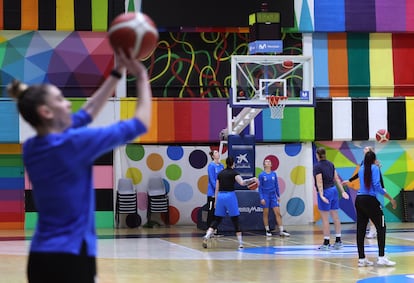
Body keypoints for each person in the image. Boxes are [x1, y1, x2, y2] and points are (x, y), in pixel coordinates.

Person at [8, 50, 152, 283]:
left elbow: (88, 111)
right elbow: (140, 123)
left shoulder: (33, 146)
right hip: (71, 256)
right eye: (61, 100)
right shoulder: (75, 143)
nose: (68, 104)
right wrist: (142, 77)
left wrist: (116, 74)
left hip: (39, 257)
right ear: (46, 112)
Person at [202, 156, 257, 249]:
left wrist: (215, 200)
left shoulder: (220, 173)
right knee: (235, 219)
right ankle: (240, 243)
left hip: (220, 196)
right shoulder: (234, 173)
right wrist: (253, 179)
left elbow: (216, 188)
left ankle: (207, 235)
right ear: (233, 164)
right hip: (230, 196)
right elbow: (242, 183)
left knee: (217, 219)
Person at [355, 151, 397, 267]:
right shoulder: (375, 168)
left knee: (361, 229)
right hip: (370, 200)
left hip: (359, 199)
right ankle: (382, 257)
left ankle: (362, 259)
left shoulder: (361, 168)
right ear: (374, 159)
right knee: (381, 227)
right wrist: (391, 198)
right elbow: (377, 186)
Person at [343, 146, 383, 239]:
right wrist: (349, 180)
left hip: (371, 193)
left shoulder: (374, 164)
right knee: (366, 213)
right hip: (364, 192)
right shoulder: (363, 163)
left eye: (366, 148)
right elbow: (358, 174)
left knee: (371, 212)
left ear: (369, 151)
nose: (363, 149)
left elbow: (378, 175)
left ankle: (373, 230)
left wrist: (383, 187)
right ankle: (373, 229)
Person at [313, 147, 349, 250]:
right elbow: (337, 179)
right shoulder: (331, 164)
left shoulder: (317, 166)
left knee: (325, 219)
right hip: (333, 190)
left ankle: (326, 243)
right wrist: (342, 191)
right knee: (335, 217)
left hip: (325, 191)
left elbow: (319, 182)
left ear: (317, 155)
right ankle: (338, 241)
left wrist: (321, 195)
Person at [258, 159, 290, 237]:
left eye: (269, 162)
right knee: (266, 213)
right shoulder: (261, 175)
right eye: (266, 162)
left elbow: (276, 186)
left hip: (273, 196)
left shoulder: (274, 174)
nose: (268, 162)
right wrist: (261, 198)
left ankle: (281, 230)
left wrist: (278, 196)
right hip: (265, 195)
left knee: (277, 213)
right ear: (264, 165)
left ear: (271, 165)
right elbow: (260, 188)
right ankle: (267, 230)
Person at [206, 150, 224, 234]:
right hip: (212, 193)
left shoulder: (221, 166)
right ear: (213, 156)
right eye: (216, 153)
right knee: (211, 211)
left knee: (218, 211)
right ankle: (209, 229)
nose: (218, 154)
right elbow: (212, 179)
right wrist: (217, 188)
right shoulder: (211, 166)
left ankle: (215, 229)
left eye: (218, 152)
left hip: (220, 193)